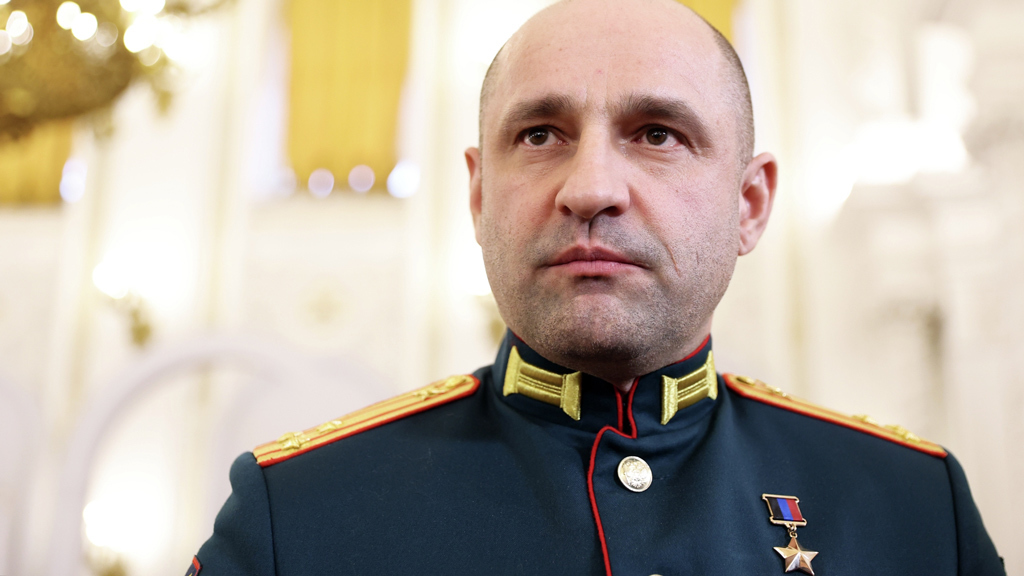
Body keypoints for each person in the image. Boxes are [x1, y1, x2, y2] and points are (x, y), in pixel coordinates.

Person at [189, 0, 1005, 574]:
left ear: (750, 204)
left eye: (658, 134)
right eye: (540, 134)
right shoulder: (296, 516)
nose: (590, 188)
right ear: (478, 196)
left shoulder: (915, 511)